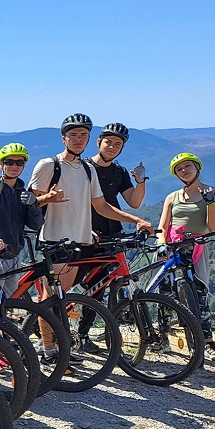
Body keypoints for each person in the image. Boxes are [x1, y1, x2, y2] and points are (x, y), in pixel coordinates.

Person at [29, 114, 153, 360]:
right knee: (51, 299)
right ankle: (48, 350)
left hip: (79, 241)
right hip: (55, 239)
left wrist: (135, 220)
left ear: (88, 139)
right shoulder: (48, 165)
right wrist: (47, 199)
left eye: (82, 135)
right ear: (64, 137)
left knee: (62, 299)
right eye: (73, 135)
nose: (78, 139)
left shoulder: (87, 169)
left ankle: (62, 348)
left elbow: (101, 206)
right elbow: (29, 202)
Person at [157, 152, 215, 362]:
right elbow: (163, 226)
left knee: (199, 295)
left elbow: (213, 227)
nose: (184, 171)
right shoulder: (173, 197)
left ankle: (206, 341)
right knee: (166, 295)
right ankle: (162, 337)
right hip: (172, 248)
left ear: (197, 168)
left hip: (196, 248)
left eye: (187, 166)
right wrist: (161, 244)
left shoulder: (214, 192)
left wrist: (211, 203)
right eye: (179, 169)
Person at [0, 143, 46, 297]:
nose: (14, 166)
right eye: (9, 162)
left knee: (8, 302)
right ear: (0, 164)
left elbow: (36, 224)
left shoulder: (23, 193)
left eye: (19, 163)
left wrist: (34, 205)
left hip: (14, 256)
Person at [89, 122, 147, 239]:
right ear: (99, 142)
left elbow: (134, 202)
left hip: (114, 234)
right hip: (88, 234)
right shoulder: (84, 168)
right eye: (108, 142)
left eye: (117, 144)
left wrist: (140, 181)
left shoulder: (119, 171)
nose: (112, 147)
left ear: (122, 147)